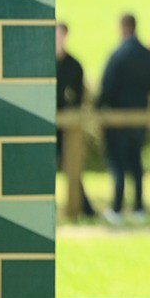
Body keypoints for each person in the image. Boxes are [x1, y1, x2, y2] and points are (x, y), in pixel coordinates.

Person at [97, 13, 150, 224]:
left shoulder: (117, 55)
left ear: (122, 28)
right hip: (140, 116)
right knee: (136, 163)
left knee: (117, 164)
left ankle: (116, 208)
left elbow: (107, 88)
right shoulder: (147, 54)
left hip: (118, 118)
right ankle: (139, 208)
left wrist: (98, 109)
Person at [55, 22, 96, 217]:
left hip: (66, 125)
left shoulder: (73, 66)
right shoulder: (44, 64)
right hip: (47, 125)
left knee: (71, 166)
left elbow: (77, 97)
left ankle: (83, 207)